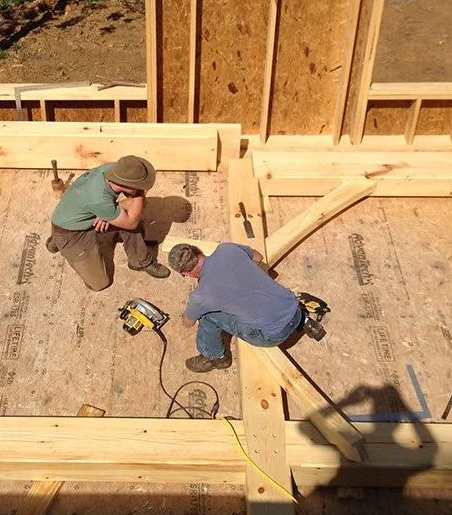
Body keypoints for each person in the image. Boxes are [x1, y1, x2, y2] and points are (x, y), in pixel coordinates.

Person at [167, 242, 324, 372]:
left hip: (273, 334)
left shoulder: (201, 296)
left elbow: (188, 323)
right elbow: (258, 257)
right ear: (199, 250)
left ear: (186, 274)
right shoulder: (227, 249)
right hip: (295, 310)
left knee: (207, 316)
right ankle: (307, 323)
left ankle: (215, 356)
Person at [47, 155, 170, 291]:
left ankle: (139, 261)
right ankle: (59, 241)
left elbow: (130, 211)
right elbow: (131, 222)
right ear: (125, 184)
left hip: (78, 210)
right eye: (140, 187)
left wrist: (109, 212)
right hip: (70, 233)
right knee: (100, 283)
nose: (143, 190)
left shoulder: (113, 170)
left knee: (132, 214)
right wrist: (138, 196)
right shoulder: (98, 199)